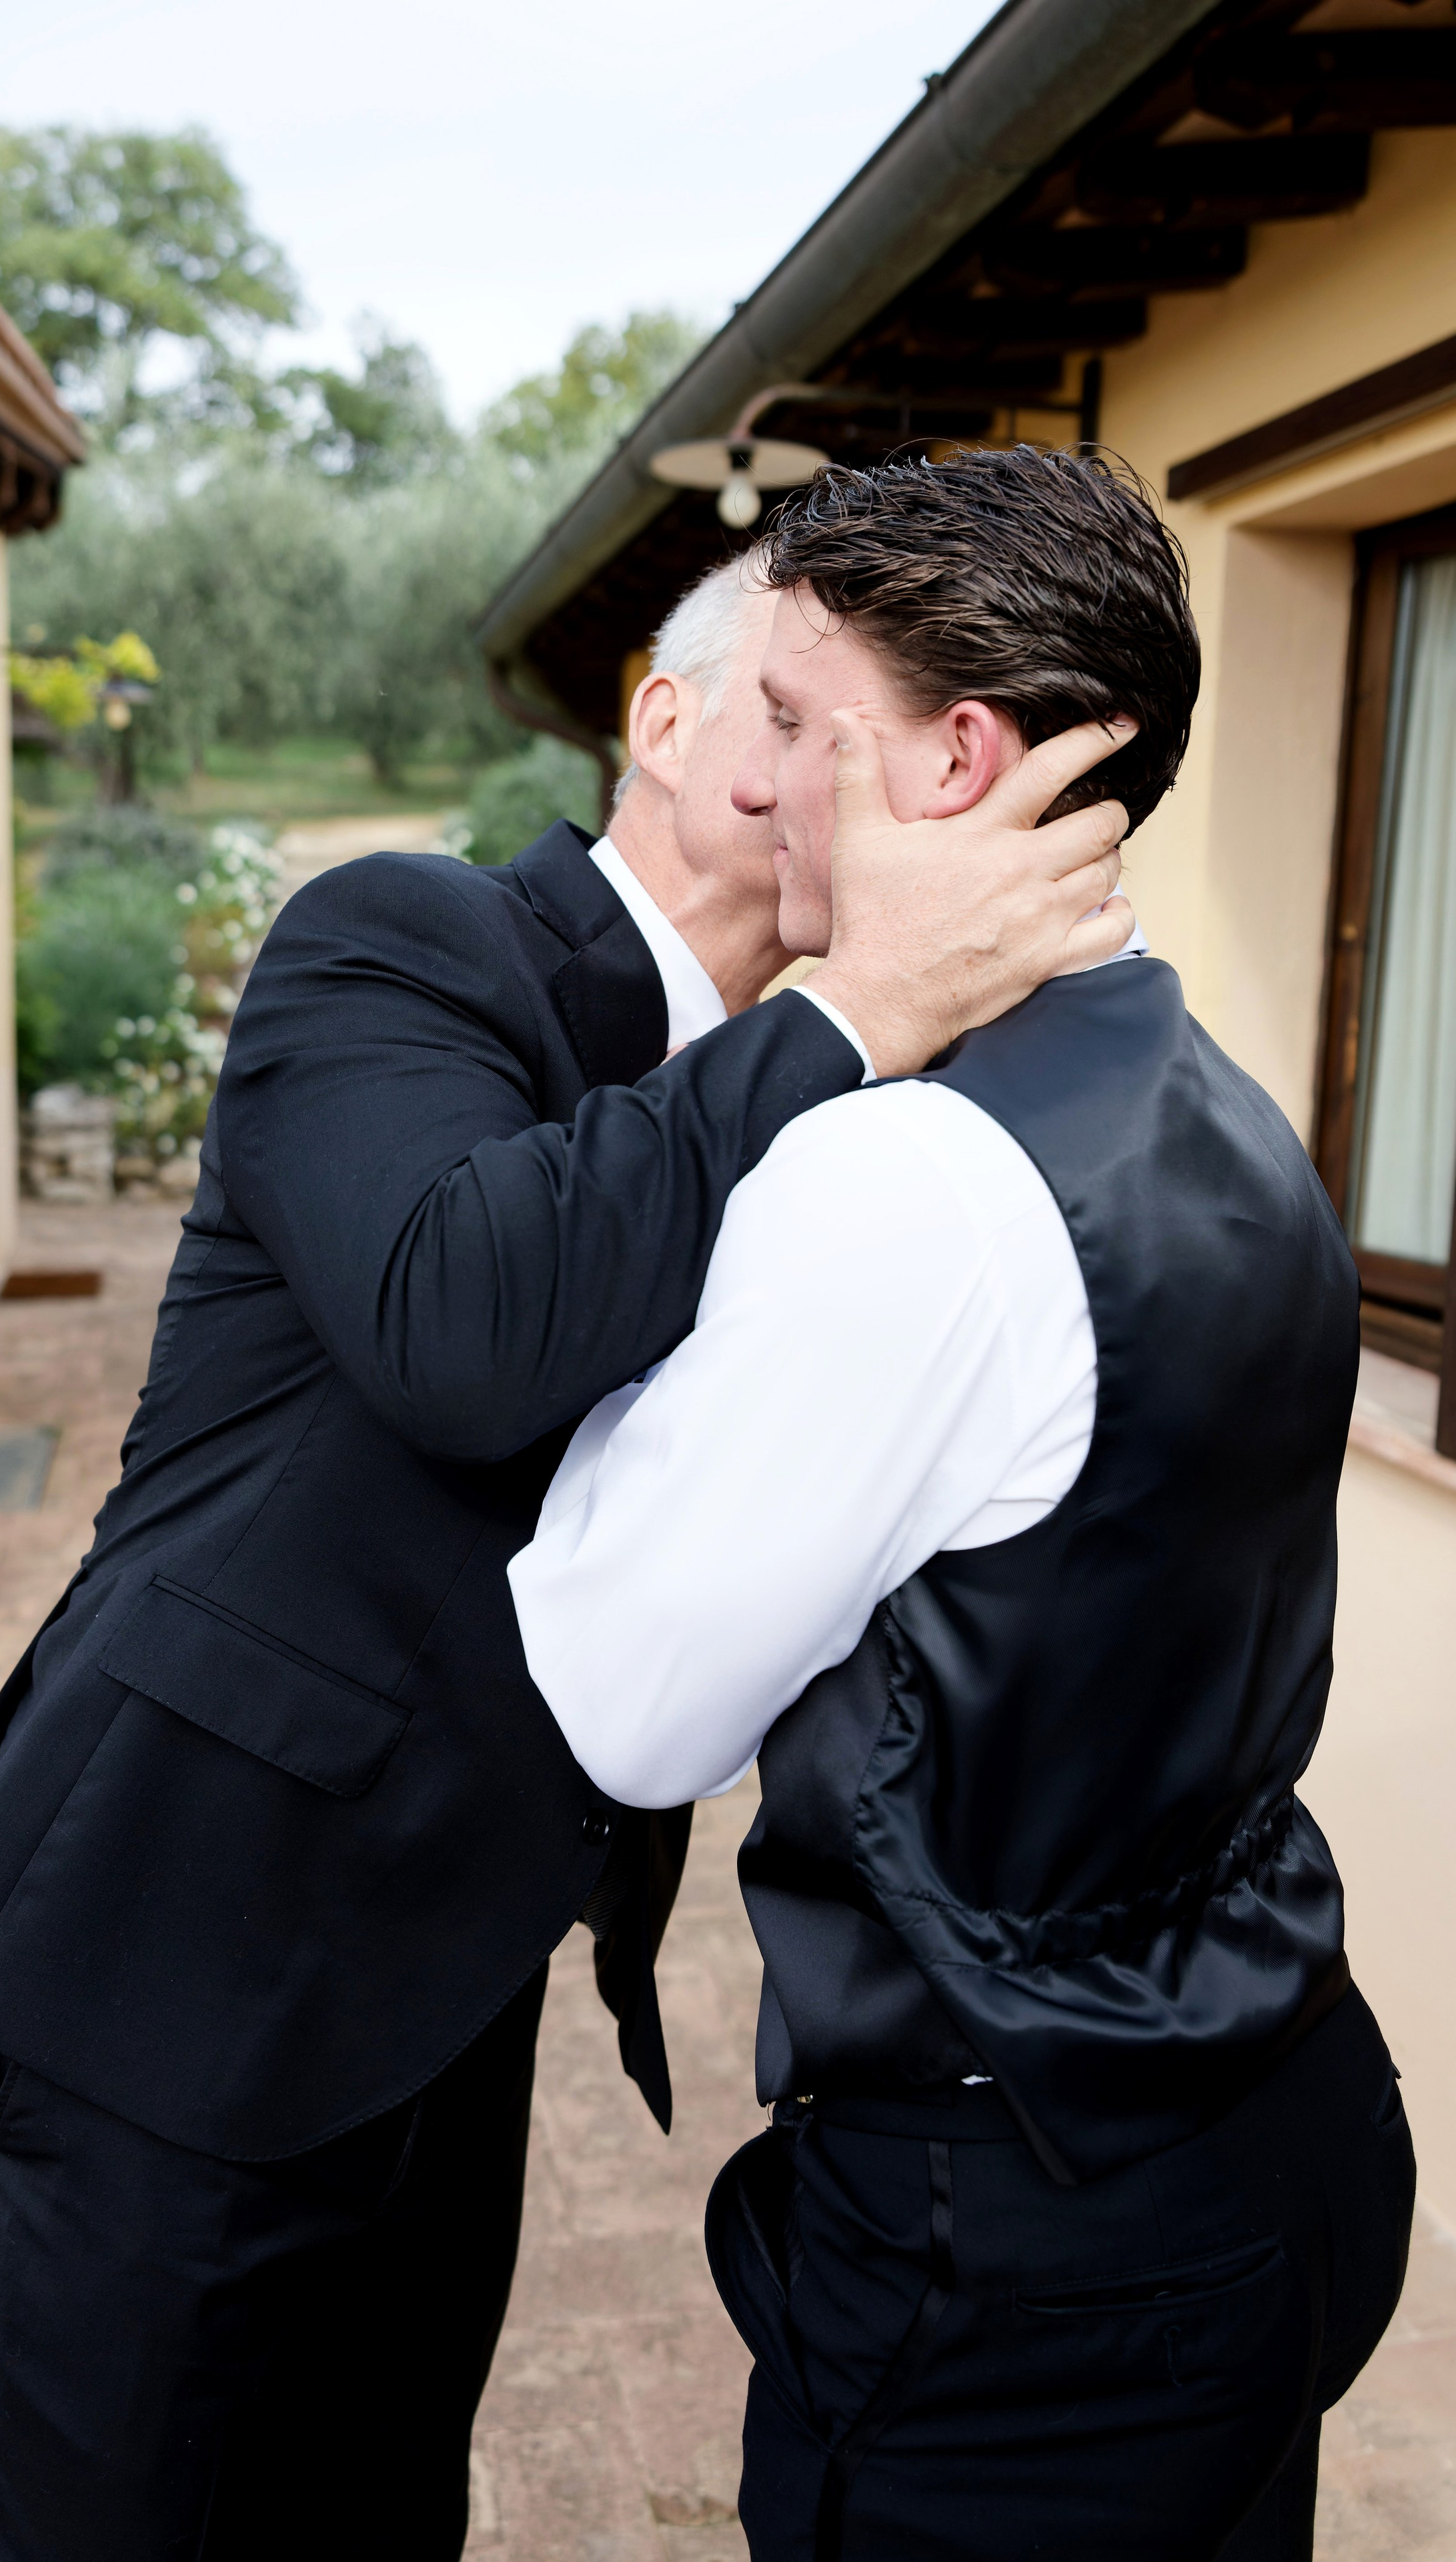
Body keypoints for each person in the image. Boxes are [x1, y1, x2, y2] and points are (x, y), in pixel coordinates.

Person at [0, 542, 1135, 2561]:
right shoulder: (409, 944)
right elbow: (464, 1324)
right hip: (176, 1953)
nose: (826, 784)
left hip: (448, 1990)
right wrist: (856, 1007)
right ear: (659, 720)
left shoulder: (875, 1111)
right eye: (787, 723)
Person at [511, 449, 1416, 2562]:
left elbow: (629, 1706)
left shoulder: (902, 1175)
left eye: (807, 727)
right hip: (1274, 2119)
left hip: (1031, 2259)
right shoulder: (1222, 1103)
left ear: (961, 761)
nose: (765, 786)